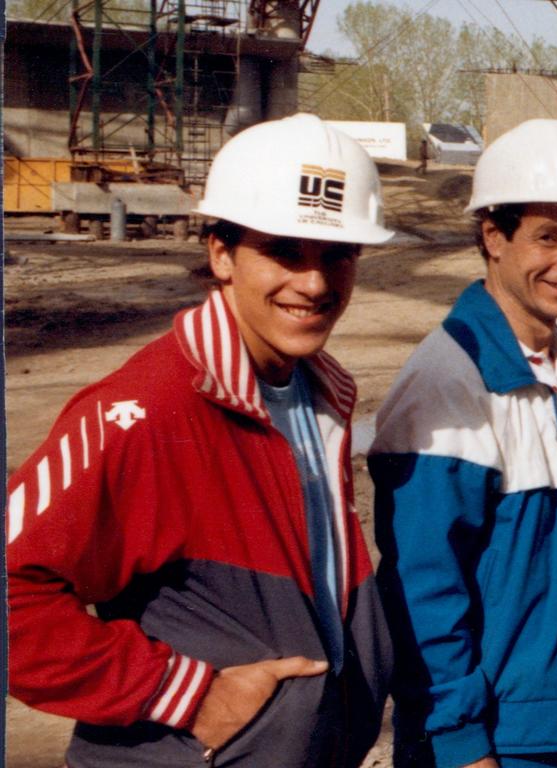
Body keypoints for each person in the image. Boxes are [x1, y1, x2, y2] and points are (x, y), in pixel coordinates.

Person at [5, 113, 394, 766]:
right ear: (221, 252)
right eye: (284, 251)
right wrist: (182, 692)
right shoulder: (148, 410)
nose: (316, 283)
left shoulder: (322, 394)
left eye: (338, 255)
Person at [373, 118, 557, 768]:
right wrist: (458, 743)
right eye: (548, 237)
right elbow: (424, 590)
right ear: (492, 234)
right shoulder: (447, 382)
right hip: (505, 736)